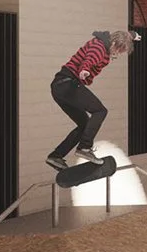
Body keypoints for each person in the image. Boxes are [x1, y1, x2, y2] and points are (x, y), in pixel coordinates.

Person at [47, 28, 136, 178]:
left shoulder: (106, 43)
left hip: (60, 88)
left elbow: (127, 36)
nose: (117, 54)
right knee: (100, 111)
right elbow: (89, 59)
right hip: (68, 83)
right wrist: (85, 70)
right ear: (114, 43)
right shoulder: (99, 47)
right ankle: (85, 148)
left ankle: (56, 156)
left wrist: (134, 36)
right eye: (119, 50)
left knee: (84, 124)